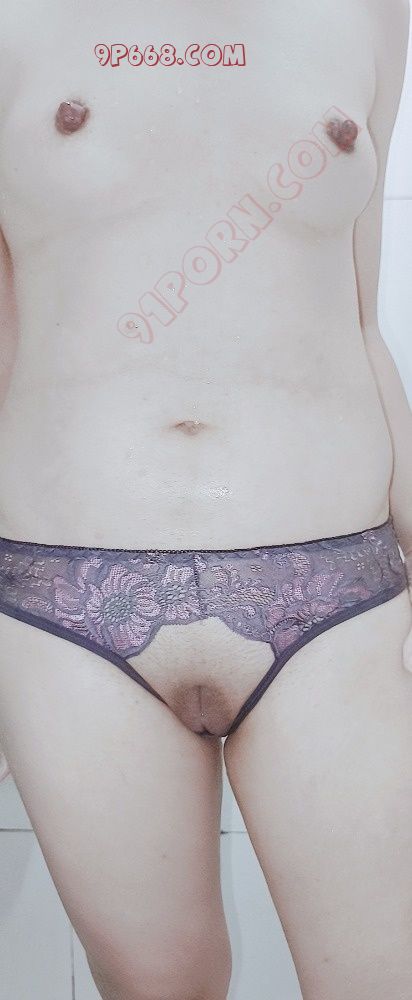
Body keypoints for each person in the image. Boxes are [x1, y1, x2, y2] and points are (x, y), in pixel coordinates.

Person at [1, 1, 412, 998]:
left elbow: (360, 319)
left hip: (340, 583)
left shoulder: (371, 12)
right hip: (60, 589)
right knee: (160, 986)